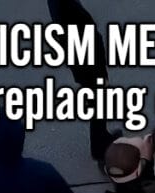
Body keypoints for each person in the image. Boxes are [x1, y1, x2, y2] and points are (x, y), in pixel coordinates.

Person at [46, 0, 120, 161]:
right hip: (87, 59)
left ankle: (101, 136)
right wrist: (100, 70)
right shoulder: (68, 9)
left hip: (79, 56)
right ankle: (99, 145)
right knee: (99, 96)